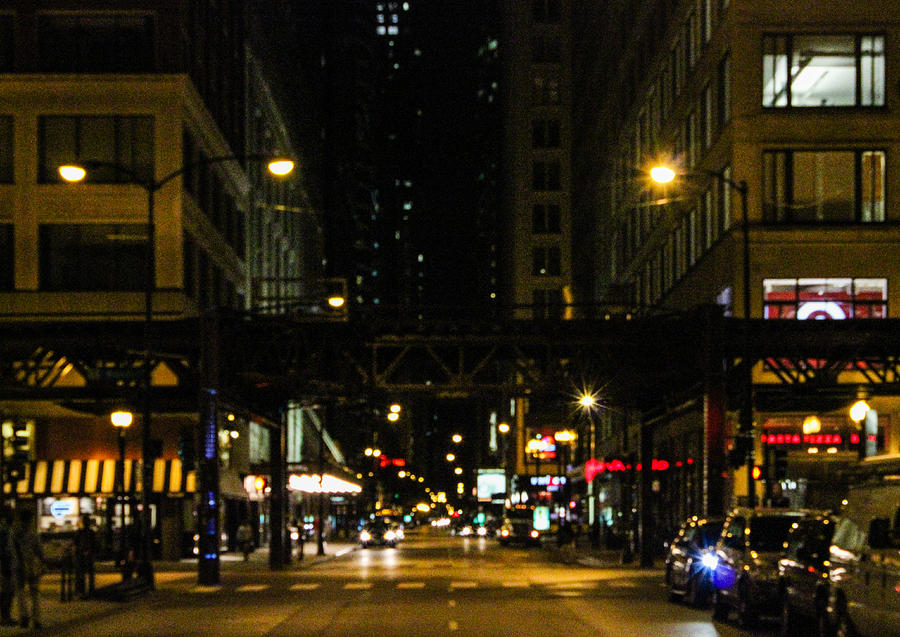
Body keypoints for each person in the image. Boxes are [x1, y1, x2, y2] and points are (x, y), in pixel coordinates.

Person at [13, 509, 45, 629]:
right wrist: (42, 563)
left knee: (20, 593)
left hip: (18, 566)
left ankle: (24, 617)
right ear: (30, 521)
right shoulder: (33, 535)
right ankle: (36, 619)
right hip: (31, 566)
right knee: (35, 594)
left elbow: (11, 551)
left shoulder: (15, 534)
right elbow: (40, 552)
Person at [73, 514, 96, 599]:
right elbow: (94, 544)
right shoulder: (90, 532)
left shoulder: (79, 532)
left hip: (82, 554)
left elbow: (75, 544)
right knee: (88, 574)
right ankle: (89, 591)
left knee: (81, 574)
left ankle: (81, 591)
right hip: (85, 554)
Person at [0, 507, 16, 627]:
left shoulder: (7, 530)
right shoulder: (5, 531)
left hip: (6, 564)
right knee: (8, 592)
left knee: (6, 592)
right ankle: (5, 617)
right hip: (5, 565)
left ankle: (5, 616)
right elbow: (6, 550)